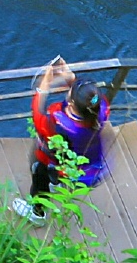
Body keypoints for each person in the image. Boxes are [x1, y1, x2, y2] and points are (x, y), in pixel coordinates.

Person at [10, 57, 110, 224]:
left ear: (71, 104)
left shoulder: (58, 124)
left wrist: (44, 85)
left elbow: (38, 115)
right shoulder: (100, 108)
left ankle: (37, 213)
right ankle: (58, 181)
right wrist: (70, 77)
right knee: (61, 174)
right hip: (85, 164)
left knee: (39, 176)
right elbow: (87, 99)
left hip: (52, 161)